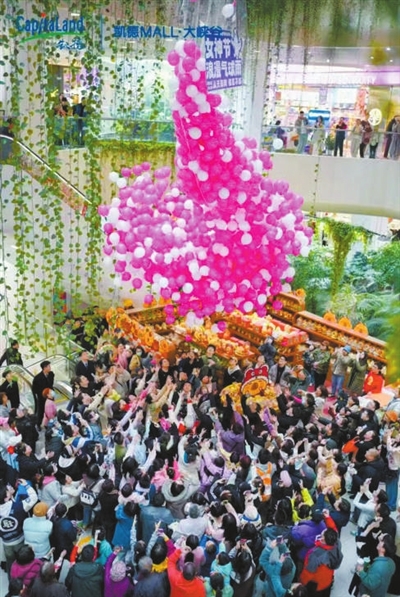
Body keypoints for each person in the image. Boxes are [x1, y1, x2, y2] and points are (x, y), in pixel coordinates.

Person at [300, 528, 343, 597]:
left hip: (317, 585)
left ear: (323, 540)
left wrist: (302, 582)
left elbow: (308, 573)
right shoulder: (337, 544)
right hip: (327, 580)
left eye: (322, 535)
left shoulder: (315, 555)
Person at [31, 361, 55, 426]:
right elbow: (34, 389)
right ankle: (39, 424)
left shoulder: (51, 374)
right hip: (42, 397)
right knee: (41, 410)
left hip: (50, 395)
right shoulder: (37, 378)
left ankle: (51, 422)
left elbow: (51, 384)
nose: (50, 367)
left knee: (51, 409)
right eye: (49, 366)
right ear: (44, 368)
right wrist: (42, 394)